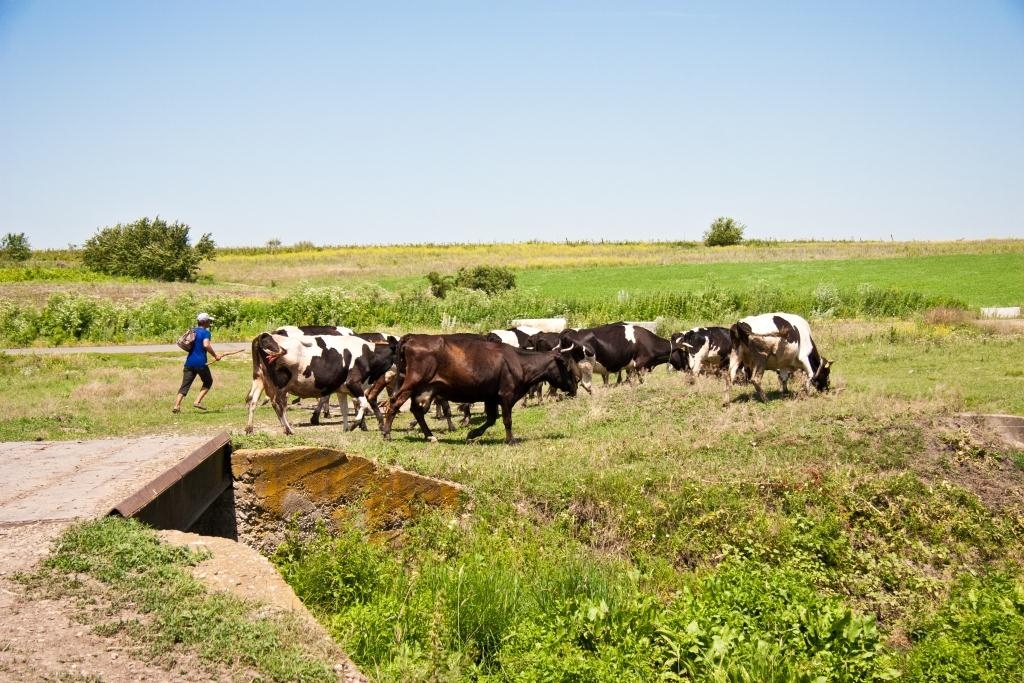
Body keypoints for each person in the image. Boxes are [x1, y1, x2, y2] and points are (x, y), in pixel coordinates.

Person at [172, 312, 221, 413]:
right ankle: (197, 401)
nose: (210, 323)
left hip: (189, 362)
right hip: (200, 363)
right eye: (209, 321)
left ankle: (176, 406)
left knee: (185, 385)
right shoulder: (206, 333)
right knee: (208, 381)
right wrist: (215, 355)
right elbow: (206, 345)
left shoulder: (192, 331)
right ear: (204, 322)